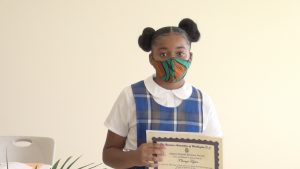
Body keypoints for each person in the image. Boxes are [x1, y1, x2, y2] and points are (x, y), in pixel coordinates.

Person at [102, 18, 222, 169]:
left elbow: (211, 157)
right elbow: (108, 154)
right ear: (152, 59)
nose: (172, 60)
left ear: (190, 57)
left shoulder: (203, 102)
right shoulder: (131, 96)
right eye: (163, 54)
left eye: (180, 53)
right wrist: (134, 157)